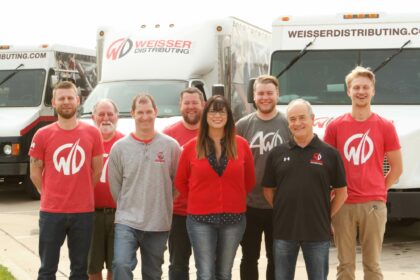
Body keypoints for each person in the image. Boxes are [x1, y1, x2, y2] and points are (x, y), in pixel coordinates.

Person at [324, 66, 403, 280]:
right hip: (343, 204)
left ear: (373, 91)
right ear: (348, 91)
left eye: (365, 87)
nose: (361, 91)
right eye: (356, 87)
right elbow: (326, 167)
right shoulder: (335, 127)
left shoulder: (385, 126)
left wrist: (379, 190)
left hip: (374, 206)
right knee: (345, 265)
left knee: (373, 265)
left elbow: (397, 168)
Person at [263, 99, 348, 280]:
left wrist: (326, 214)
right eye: (292, 119)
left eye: (302, 118)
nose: (297, 123)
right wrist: (282, 209)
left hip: (317, 232)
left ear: (312, 119)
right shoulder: (277, 153)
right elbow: (268, 190)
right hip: (284, 231)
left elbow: (342, 192)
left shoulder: (330, 153)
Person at [175, 95, 256, 280]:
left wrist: (233, 196)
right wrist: (199, 199)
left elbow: (249, 180)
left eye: (222, 111)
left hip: (234, 220)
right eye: (212, 111)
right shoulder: (191, 147)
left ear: (229, 115)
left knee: (224, 273)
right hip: (200, 220)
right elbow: (180, 181)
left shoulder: (241, 145)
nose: (217, 115)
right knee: (205, 273)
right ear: (205, 115)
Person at [29, 81, 104, 280]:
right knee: (47, 270)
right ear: (53, 102)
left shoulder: (92, 133)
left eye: (70, 98)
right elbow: (35, 171)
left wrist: (83, 190)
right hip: (51, 213)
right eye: (61, 98)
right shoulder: (42, 134)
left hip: (83, 212)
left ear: (78, 101)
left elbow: (96, 170)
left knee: (80, 271)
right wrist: (46, 194)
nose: (66, 102)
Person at [108, 94, 181, 280]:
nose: (145, 116)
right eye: (140, 112)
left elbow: (177, 184)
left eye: (149, 111)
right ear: (132, 113)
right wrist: (128, 205)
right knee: (121, 264)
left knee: (153, 273)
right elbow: (115, 186)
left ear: (155, 112)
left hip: (158, 222)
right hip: (127, 221)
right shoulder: (119, 148)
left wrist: (162, 203)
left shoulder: (171, 147)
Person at [236, 75, 290, 280]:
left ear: (278, 94)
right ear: (254, 96)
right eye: (261, 93)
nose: (265, 97)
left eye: (269, 93)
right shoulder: (242, 126)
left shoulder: (288, 123)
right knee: (249, 257)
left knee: (276, 258)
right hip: (249, 205)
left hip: (279, 205)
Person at [163, 87, 205, 280]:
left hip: (207, 213)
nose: (191, 107)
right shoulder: (168, 135)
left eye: (195, 102)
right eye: (186, 103)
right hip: (179, 213)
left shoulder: (212, 132)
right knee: (178, 265)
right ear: (180, 106)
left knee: (207, 265)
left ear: (203, 105)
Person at [88, 99, 124, 280]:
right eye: (101, 114)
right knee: (92, 266)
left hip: (120, 216)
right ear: (93, 117)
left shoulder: (126, 143)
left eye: (110, 114)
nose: (106, 118)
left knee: (116, 265)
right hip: (92, 214)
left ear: (117, 116)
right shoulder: (86, 142)